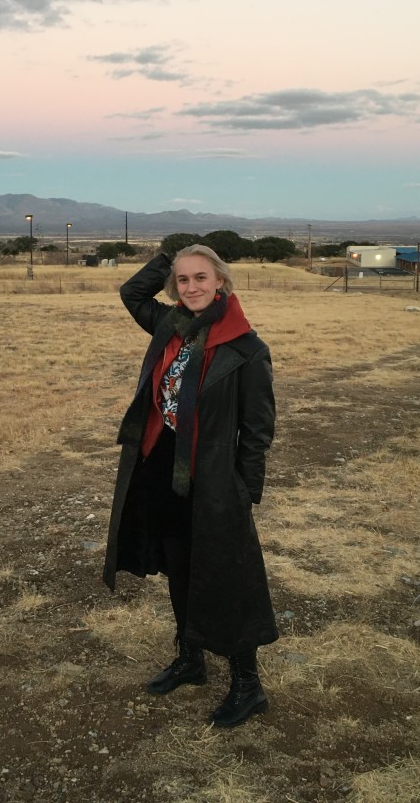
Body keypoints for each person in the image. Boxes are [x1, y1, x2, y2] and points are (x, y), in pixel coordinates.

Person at [103, 245, 278, 728]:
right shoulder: (170, 325)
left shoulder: (246, 349)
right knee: (179, 566)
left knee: (226, 575)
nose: (192, 287)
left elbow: (258, 431)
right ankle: (190, 658)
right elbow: (131, 293)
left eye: (201, 277)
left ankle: (248, 684)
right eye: (182, 280)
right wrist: (169, 254)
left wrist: (245, 492)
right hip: (163, 470)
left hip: (216, 480)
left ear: (221, 281)